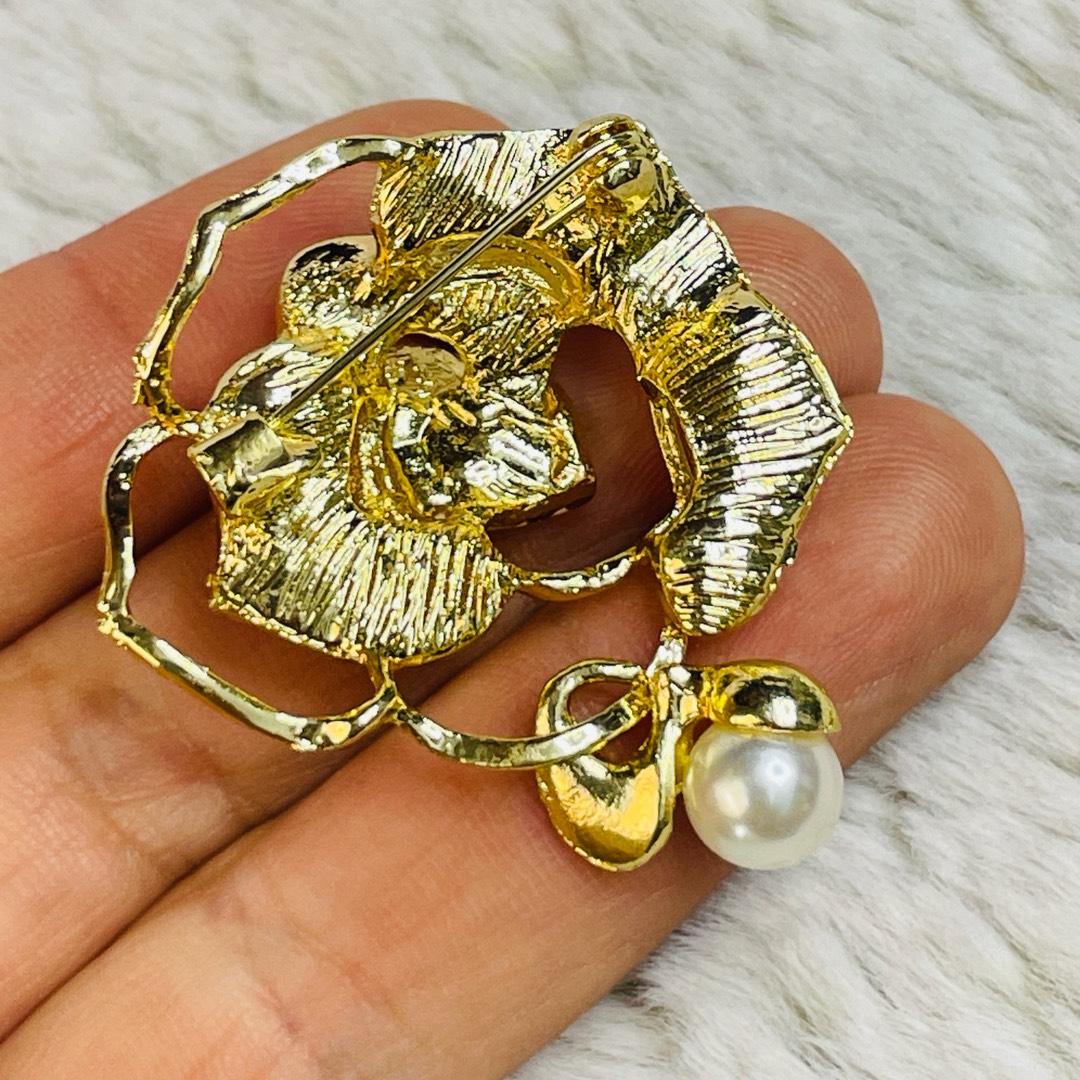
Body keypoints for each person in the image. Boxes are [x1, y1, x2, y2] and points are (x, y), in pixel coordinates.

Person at [0, 100, 1023, 1078]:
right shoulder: (361, 461)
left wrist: (719, 537)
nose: (475, 430)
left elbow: (746, 403)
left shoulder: (490, 256)